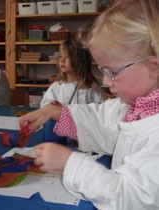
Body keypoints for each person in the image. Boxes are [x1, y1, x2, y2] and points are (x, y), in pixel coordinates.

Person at [20, 0, 159, 209]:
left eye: (112, 71)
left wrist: (71, 165)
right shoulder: (133, 105)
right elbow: (101, 121)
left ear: (154, 68)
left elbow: (133, 198)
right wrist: (55, 111)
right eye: (102, 71)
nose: (104, 81)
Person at [40, 38, 106, 107]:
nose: (62, 60)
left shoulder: (92, 88)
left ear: (80, 61)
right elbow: (43, 106)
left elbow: (102, 109)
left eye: (68, 57)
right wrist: (52, 105)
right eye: (60, 56)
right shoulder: (57, 86)